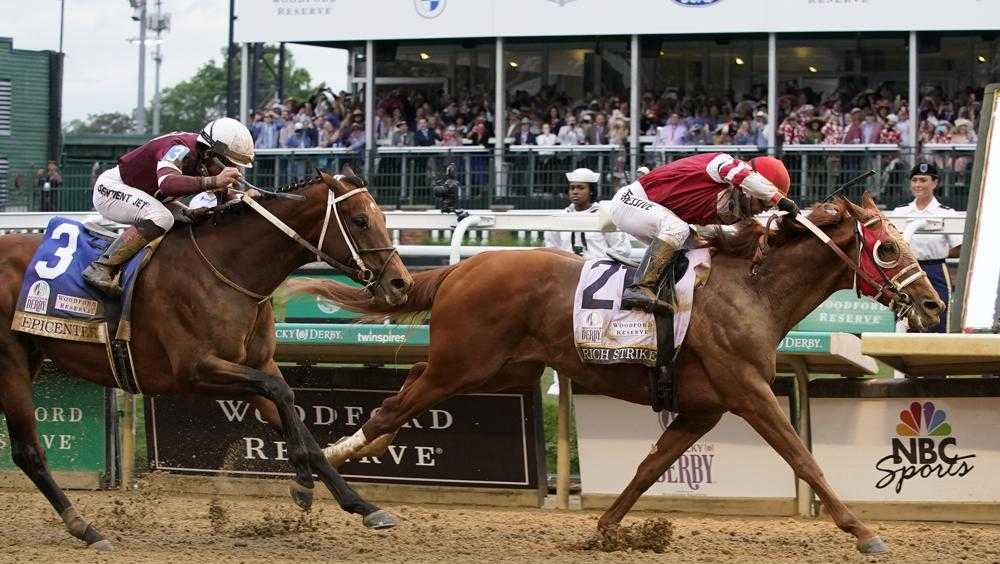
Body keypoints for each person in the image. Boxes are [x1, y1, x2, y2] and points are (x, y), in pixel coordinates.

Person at [608, 153, 798, 313]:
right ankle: (640, 286)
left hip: (652, 211)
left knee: (702, 248)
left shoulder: (737, 206)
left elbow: (753, 232)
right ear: (751, 188)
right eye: (764, 202)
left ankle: (667, 291)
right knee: (678, 229)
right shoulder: (723, 164)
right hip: (629, 201)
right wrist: (780, 199)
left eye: (769, 205)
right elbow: (744, 176)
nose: (765, 209)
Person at [82, 117, 252, 295]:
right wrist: (214, 181)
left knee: (190, 217)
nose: (234, 169)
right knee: (162, 218)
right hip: (111, 189)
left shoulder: (206, 158)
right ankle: (101, 266)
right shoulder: (179, 148)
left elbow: (224, 203)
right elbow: (167, 183)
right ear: (210, 154)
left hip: (150, 197)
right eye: (229, 163)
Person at [891, 162, 962, 333]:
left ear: (935, 183)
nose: (917, 185)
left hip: (935, 268)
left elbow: (960, 247)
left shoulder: (946, 213)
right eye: (914, 180)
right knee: (905, 318)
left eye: (923, 180)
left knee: (939, 316)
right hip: (906, 271)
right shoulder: (900, 212)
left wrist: (939, 253)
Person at [544, 168, 631, 260]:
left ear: (591, 191)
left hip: (598, 269)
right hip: (567, 269)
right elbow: (551, 248)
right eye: (572, 188)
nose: (575, 192)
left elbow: (622, 250)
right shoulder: (560, 217)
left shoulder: (604, 215)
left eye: (581, 188)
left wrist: (598, 262)